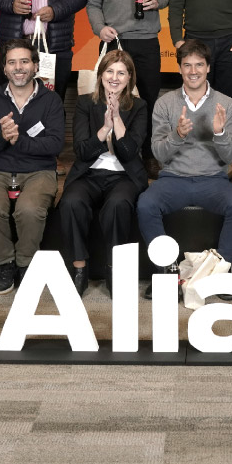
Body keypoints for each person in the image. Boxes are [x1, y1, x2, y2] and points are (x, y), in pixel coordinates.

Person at [137, 39, 232, 299]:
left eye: (199, 65)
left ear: (208, 67)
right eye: (187, 65)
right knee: (145, 205)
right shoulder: (165, 103)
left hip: (213, 179)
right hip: (173, 178)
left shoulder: (226, 104)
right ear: (179, 69)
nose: (193, 71)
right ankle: (167, 273)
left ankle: (220, 273)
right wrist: (177, 135)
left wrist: (219, 133)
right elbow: (158, 153)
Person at [0, 39, 64, 296]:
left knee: (30, 210)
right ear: (4, 68)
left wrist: (19, 141)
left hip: (40, 171)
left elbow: (55, 144)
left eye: (24, 61)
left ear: (35, 66)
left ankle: (26, 263)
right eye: (11, 62)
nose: (18, 67)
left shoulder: (51, 100)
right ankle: (5, 263)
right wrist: (2, 137)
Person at [57, 49, 149, 297]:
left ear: (130, 78)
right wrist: (104, 128)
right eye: (110, 71)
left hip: (124, 176)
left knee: (118, 204)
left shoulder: (139, 106)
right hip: (89, 173)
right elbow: (82, 151)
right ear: (100, 75)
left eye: (121, 73)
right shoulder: (85, 103)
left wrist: (117, 119)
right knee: (71, 202)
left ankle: (114, 270)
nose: (114, 78)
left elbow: (129, 152)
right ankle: (79, 268)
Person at [85, 0, 169, 174]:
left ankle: (149, 155)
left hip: (146, 41)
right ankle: (109, 152)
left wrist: (157, 1)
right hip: (114, 44)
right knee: (109, 101)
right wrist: (100, 28)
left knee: (149, 100)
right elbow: (93, 4)